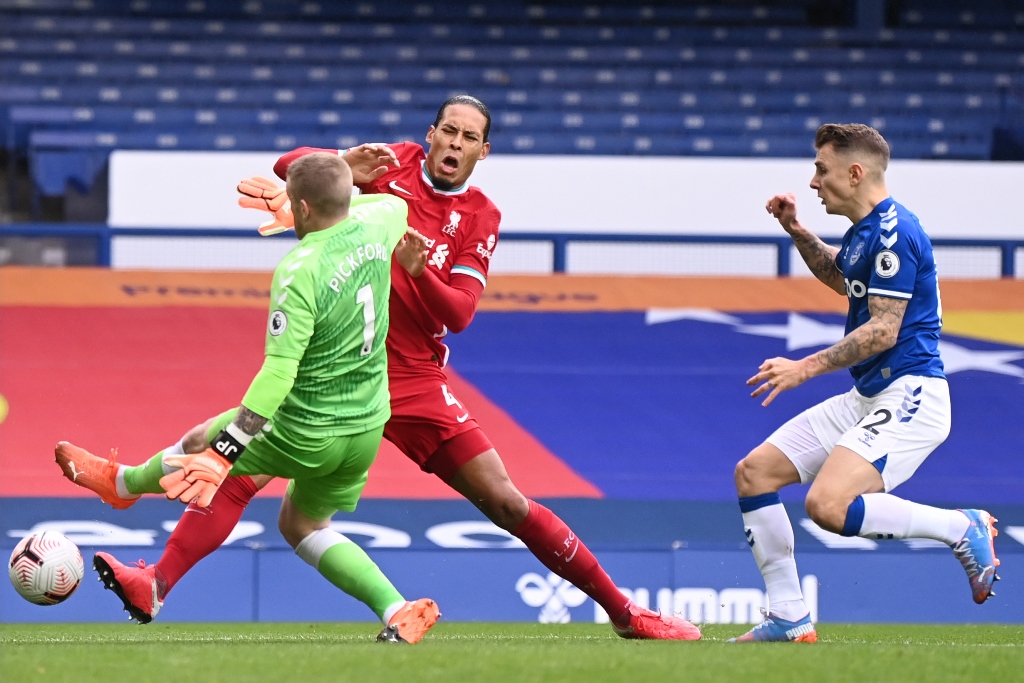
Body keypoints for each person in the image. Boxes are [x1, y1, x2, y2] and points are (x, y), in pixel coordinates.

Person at [56, 95, 701, 641]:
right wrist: (344, 159)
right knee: (241, 478)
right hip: (338, 369)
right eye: (447, 130)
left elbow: (460, 313)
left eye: (468, 137)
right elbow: (295, 171)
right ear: (430, 134)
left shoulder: (479, 216)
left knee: (505, 499)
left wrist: (421, 274)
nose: (454, 143)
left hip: (414, 379)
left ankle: (624, 612)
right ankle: (153, 572)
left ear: (483, 152)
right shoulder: (396, 168)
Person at [57, 152, 443, 644]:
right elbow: (379, 204)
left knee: (202, 443)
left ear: (301, 207)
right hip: (367, 426)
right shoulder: (384, 218)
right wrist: (335, 180)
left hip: (307, 428)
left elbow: (278, 374)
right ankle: (397, 609)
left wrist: (225, 451)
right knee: (304, 525)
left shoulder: (300, 269)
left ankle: (123, 485)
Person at [729, 123, 1000, 643]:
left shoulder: (897, 232)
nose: (814, 182)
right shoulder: (865, 231)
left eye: (821, 169)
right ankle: (788, 616)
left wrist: (804, 368)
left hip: (912, 394)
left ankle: (961, 527)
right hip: (869, 395)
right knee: (754, 474)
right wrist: (796, 229)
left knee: (827, 506)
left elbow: (883, 330)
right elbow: (842, 276)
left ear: (854, 173)